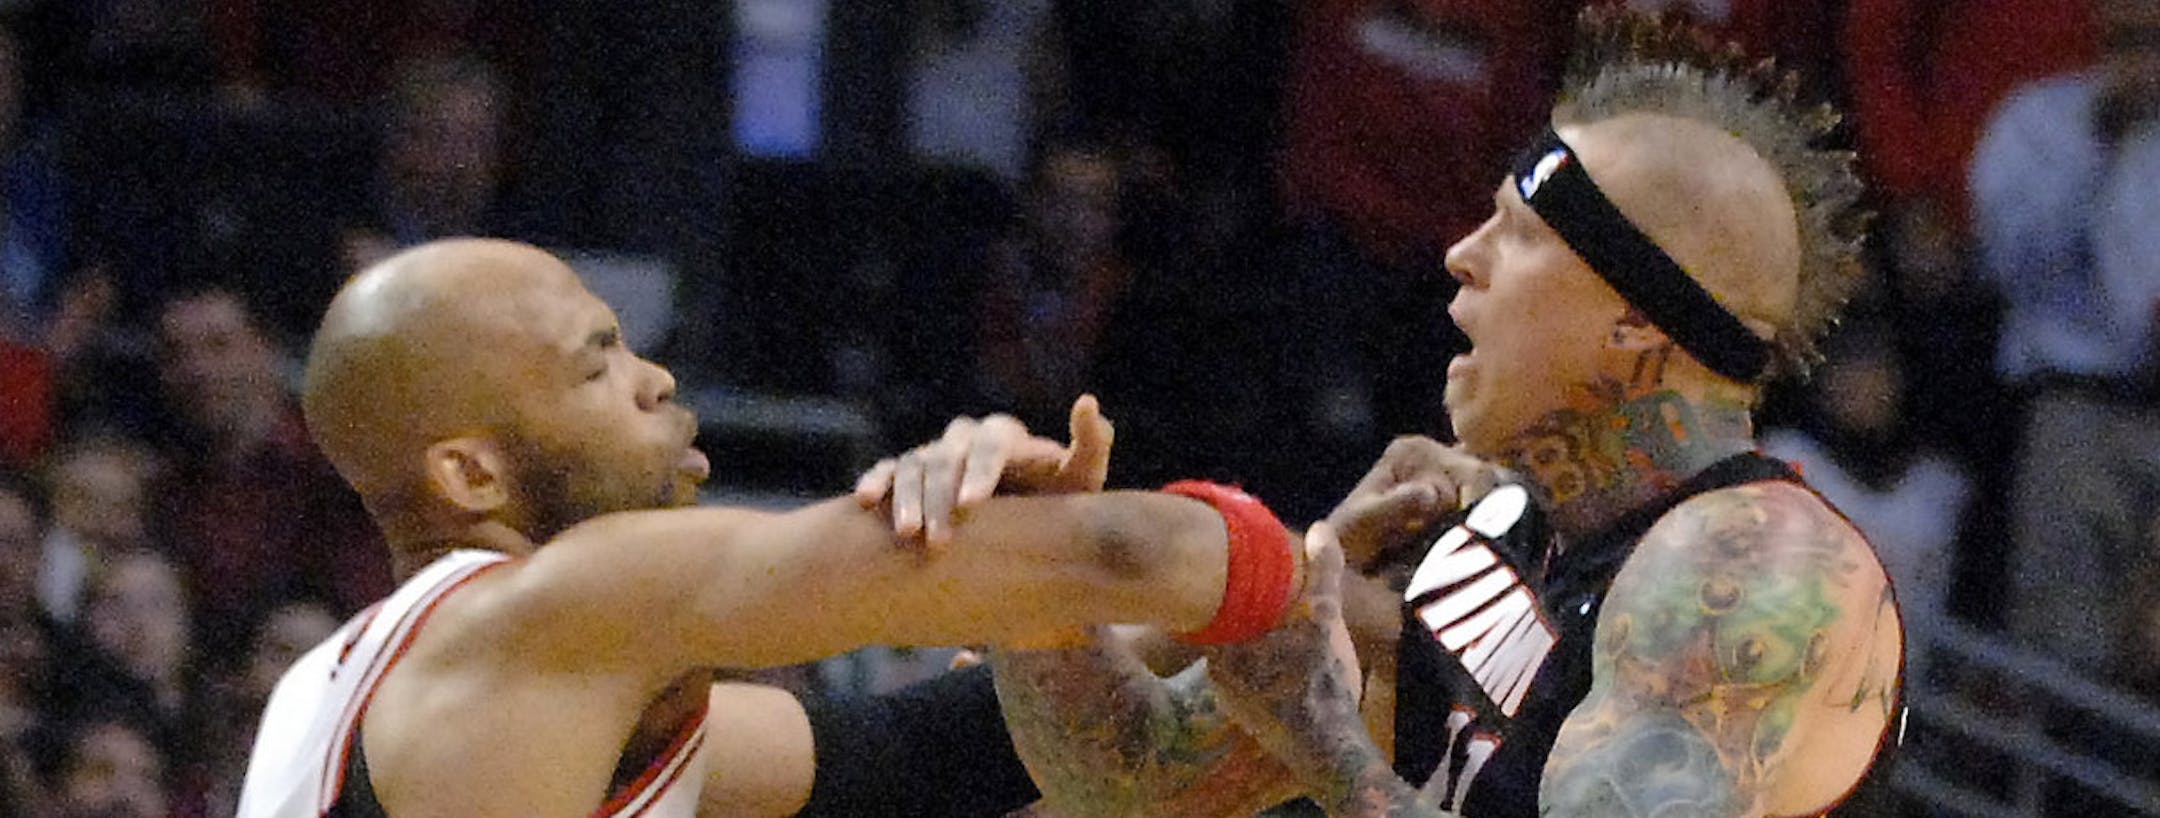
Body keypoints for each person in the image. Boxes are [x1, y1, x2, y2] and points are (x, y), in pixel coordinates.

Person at [986, 10, 1905, 817]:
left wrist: (1322, 741)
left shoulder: (1762, 577)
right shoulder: (1501, 524)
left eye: (1519, 234)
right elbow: (1130, 784)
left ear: (1633, 320)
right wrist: (1035, 567)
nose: (1462, 254)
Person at [236, 237, 1311, 818]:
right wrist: (1315, 573)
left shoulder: (341, 693)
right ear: (470, 473)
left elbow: (906, 762)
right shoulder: (568, 602)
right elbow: (1145, 552)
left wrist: (1041, 596)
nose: (656, 378)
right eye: (596, 366)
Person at [1972, 0, 2160, 681]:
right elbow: (2010, 264)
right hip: (2074, 408)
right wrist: (2095, 146)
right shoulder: (2040, 122)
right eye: (2129, 39)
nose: (2144, 60)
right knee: (2063, 648)